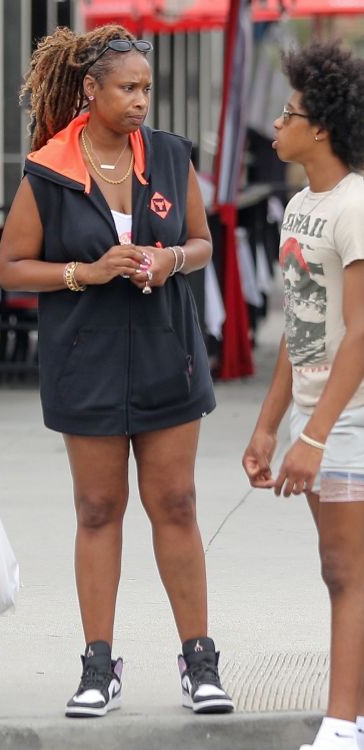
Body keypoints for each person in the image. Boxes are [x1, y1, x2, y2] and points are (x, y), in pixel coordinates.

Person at [0, 24, 233, 718]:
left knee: (177, 504)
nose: (140, 101)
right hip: (86, 363)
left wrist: (171, 261)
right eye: (127, 89)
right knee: (98, 510)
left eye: (146, 90)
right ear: (90, 90)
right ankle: (98, 668)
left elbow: (201, 243)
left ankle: (201, 662)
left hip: (167, 354)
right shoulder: (49, 168)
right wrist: (85, 271)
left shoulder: (168, 155)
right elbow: (12, 266)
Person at [242, 42, 364, 750]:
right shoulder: (299, 207)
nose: (276, 127)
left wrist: (314, 436)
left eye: (287, 114)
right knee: (342, 569)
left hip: (349, 421)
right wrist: (267, 428)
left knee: (346, 572)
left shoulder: (354, 205)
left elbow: (359, 335)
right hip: (320, 417)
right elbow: (302, 329)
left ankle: (342, 723)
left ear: (319, 128)